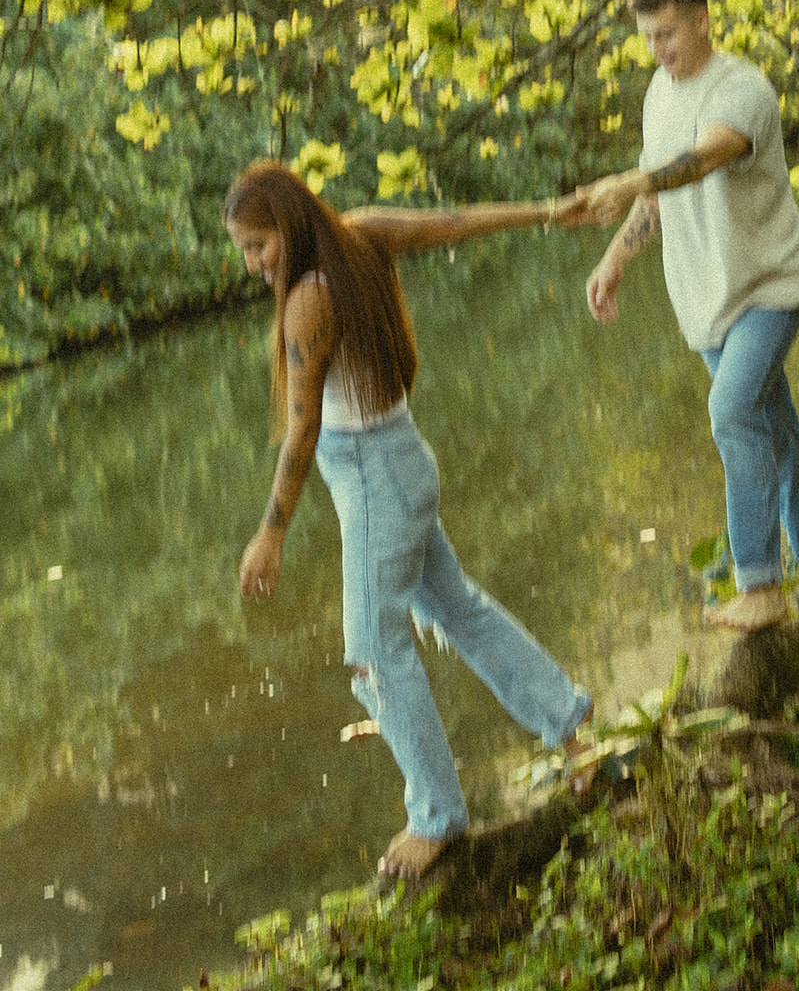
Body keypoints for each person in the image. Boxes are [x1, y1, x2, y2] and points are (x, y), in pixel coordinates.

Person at [223, 162, 593, 880]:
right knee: (460, 611)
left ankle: (437, 816)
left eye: (257, 244)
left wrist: (271, 534)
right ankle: (573, 726)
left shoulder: (308, 299)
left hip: (374, 478)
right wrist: (547, 208)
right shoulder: (360, 237)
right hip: (401, 461)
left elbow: (301, 434)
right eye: (243, 249)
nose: (251, 264)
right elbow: (452, 222)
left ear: (289, 227)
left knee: (370, 651)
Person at [582, 0, 799, 634]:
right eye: (646, 37)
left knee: (731, 412)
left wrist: (631, 178)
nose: (656, 49)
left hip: (767, 291)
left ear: (701, 19)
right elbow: (658, 195)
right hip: (705, 308)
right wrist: (615, 257)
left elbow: (703, 158)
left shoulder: (742, 90)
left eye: (665, 33)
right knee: (775, 442)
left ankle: (758, 586)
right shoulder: (657, 95)